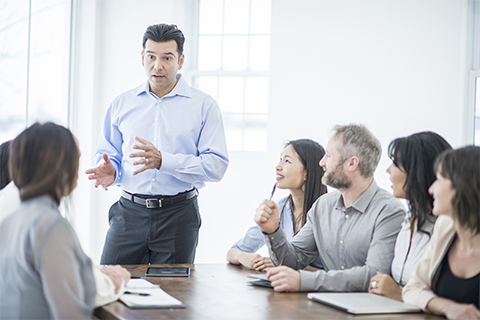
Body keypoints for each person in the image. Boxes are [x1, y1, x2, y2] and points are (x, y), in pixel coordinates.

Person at [86, 24, 229, 265]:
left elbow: (216, 166)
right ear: (142, 57)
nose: (157, 66)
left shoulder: (203, 106)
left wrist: (164, 161)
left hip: (178, 216)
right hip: (129, 213)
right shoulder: (122, 104)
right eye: (151, 57)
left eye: (167, 58)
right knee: (108, 287)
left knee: (172, 296)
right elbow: (109, 155)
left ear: (180, 61)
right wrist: (112, 171)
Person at [0, 123, 130, 319]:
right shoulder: (50, 226)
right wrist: (113, 282)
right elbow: (71, 313)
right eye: (76, 159)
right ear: (63, 168)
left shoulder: (13, 218)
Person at [254, 124, 405, 292]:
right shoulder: (322, 206)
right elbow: (293, 259)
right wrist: (272, 231)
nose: (321, 162)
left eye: (328, 155)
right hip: (326, 305)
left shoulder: (389, 211)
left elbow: (374, 276)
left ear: (351, 164)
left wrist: (305, 280)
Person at [368, 132, 452, 301]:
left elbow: (451, 298)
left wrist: (400, 295)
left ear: (417, 172)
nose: (387, 170)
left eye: (396, 164)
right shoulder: (408, 221)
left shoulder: (446, 227)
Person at [403, 146, 480, 320]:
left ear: (461, 187)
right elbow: (412, 289)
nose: (431, 189)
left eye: (438, 179)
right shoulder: (445, 226)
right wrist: (448, 307)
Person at [227, 139, 327, 271]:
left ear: (307, 172)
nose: (277, 167)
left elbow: (338, 275)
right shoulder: (278, 208)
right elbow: (232, 252)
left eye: (287, 161)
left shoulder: (328, 212)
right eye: (280, 159)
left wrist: (283, 264)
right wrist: (242, 256)